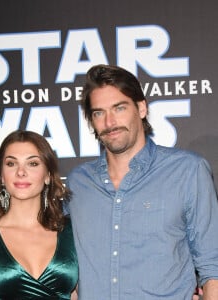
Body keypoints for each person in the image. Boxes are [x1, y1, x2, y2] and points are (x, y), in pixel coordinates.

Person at [66, 64, 218, 299]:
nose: (109, 122)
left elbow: (212, 266)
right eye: (98, 113)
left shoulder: (187, 171)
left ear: (142, 108)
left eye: (119, 108)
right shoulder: (78, 183)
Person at [0, 130, 78, 299]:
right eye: (11, 164)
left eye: (33, 164)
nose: (21, 172)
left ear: (48, 176)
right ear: (1, 175)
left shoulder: (73, 232)